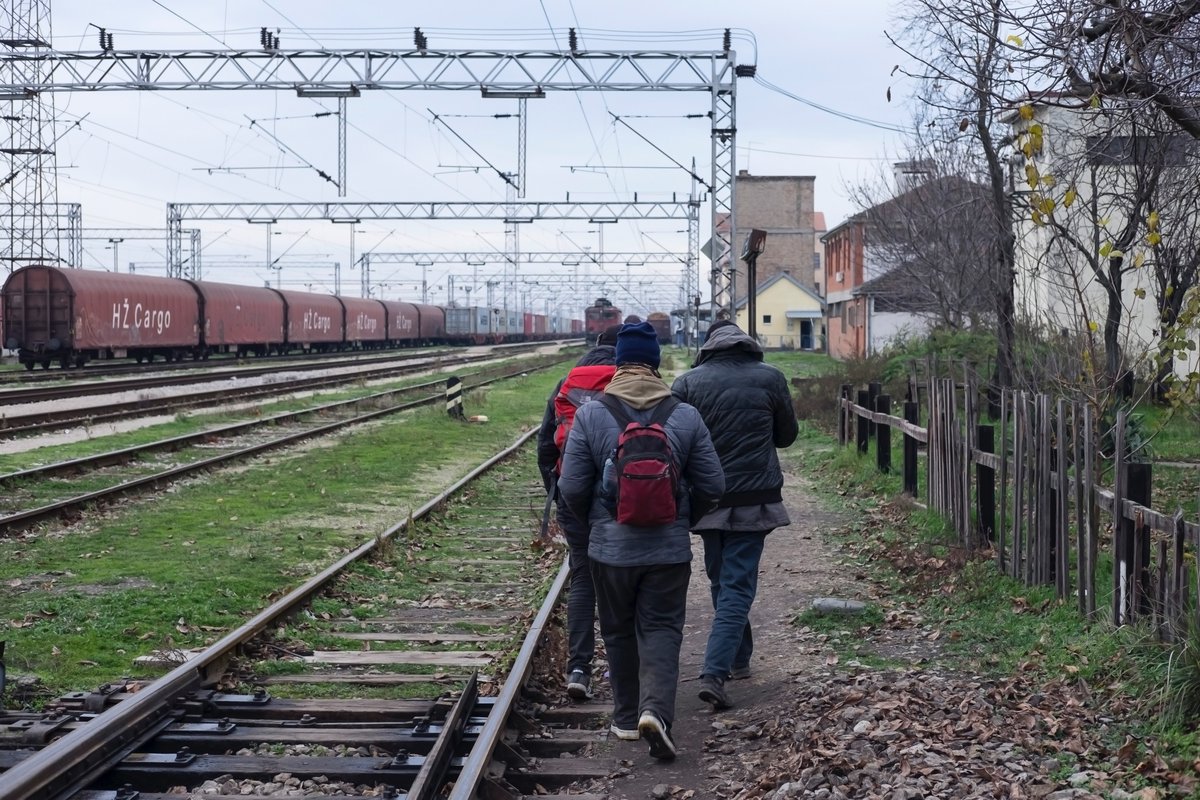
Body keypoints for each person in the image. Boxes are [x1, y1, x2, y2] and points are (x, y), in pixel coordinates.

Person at [558, 321, 724, 761]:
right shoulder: (684, 415)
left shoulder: (592, 413)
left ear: (618, 363)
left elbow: (571, 486)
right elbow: (713, 483)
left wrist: (596, 524)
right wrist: (685, 517)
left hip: (609, 549)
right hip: (667, 548)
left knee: (617, 629)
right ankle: (658, 713)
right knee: (663, 628)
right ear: (654, 362)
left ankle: (627, 717)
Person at [670, 319, 798, 711]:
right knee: (736, 585)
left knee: (722, 579)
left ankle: (736, 660)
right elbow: (786, 436)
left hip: (708, 498)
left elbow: (675, 443)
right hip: (755, 496)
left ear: (709, 345)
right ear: (746, 343)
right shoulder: (771, 377)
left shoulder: (687, 383)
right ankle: (715, 672)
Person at [536, 323, 621, 701]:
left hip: (572, 493)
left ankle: (578, 669)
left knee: (583, 576)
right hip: (618, 496)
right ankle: (624, 673)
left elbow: (544, 448)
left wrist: (558, 494)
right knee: (622, 578)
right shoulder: (627, 382)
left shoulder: (567, 383)